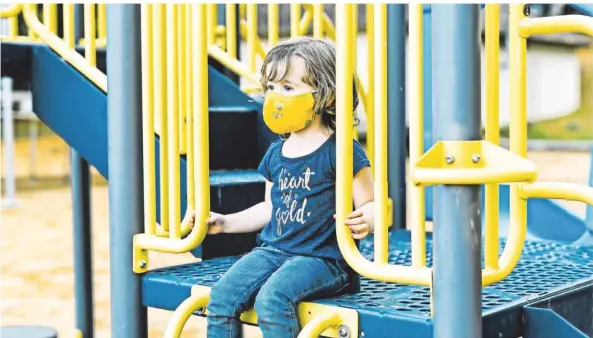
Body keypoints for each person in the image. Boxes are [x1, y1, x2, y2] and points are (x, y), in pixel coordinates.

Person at [189, 37, 375, 338]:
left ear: (327, 96)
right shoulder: (277, 152)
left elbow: (372, 203)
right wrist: (225, 222)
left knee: (272, 300)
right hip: (273, 250)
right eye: (271, 88)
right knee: (221, 297)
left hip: (323, 259)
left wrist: (368, 218)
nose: (275, 97)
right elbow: (270, 207)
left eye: (288, 88)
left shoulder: (342, 150)